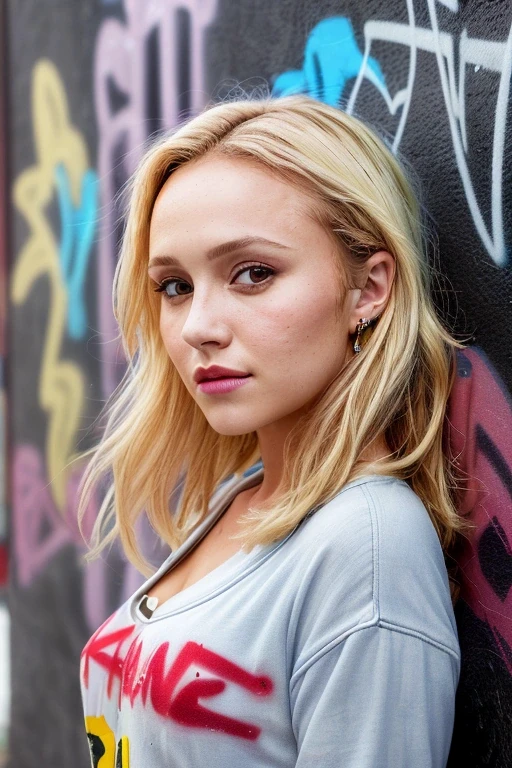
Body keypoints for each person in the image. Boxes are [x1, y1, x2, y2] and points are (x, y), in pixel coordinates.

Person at [78, 95, 465, 768]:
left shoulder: (367, 546)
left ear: (368, 289)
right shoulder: (243, 496)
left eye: (252, 274)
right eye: (174, 287)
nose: (199, 325)